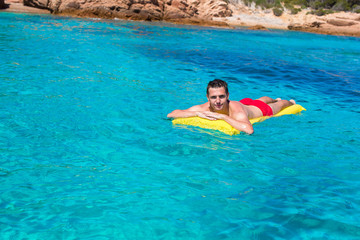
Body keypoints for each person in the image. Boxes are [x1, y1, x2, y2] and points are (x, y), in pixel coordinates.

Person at [167, 79, 295, 134]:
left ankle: (287, 101)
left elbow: (249, 130)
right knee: (260, 99)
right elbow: (172, 114)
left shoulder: (236, 111)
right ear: (207, 97)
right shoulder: (203, 107)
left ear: (227, 95)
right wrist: (196, 114)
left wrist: (222, 117)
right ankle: (272, 99)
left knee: (279, 103)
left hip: (259, 109)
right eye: (213, 97)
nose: (217, 101)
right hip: (245, 102)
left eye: (221, 97)